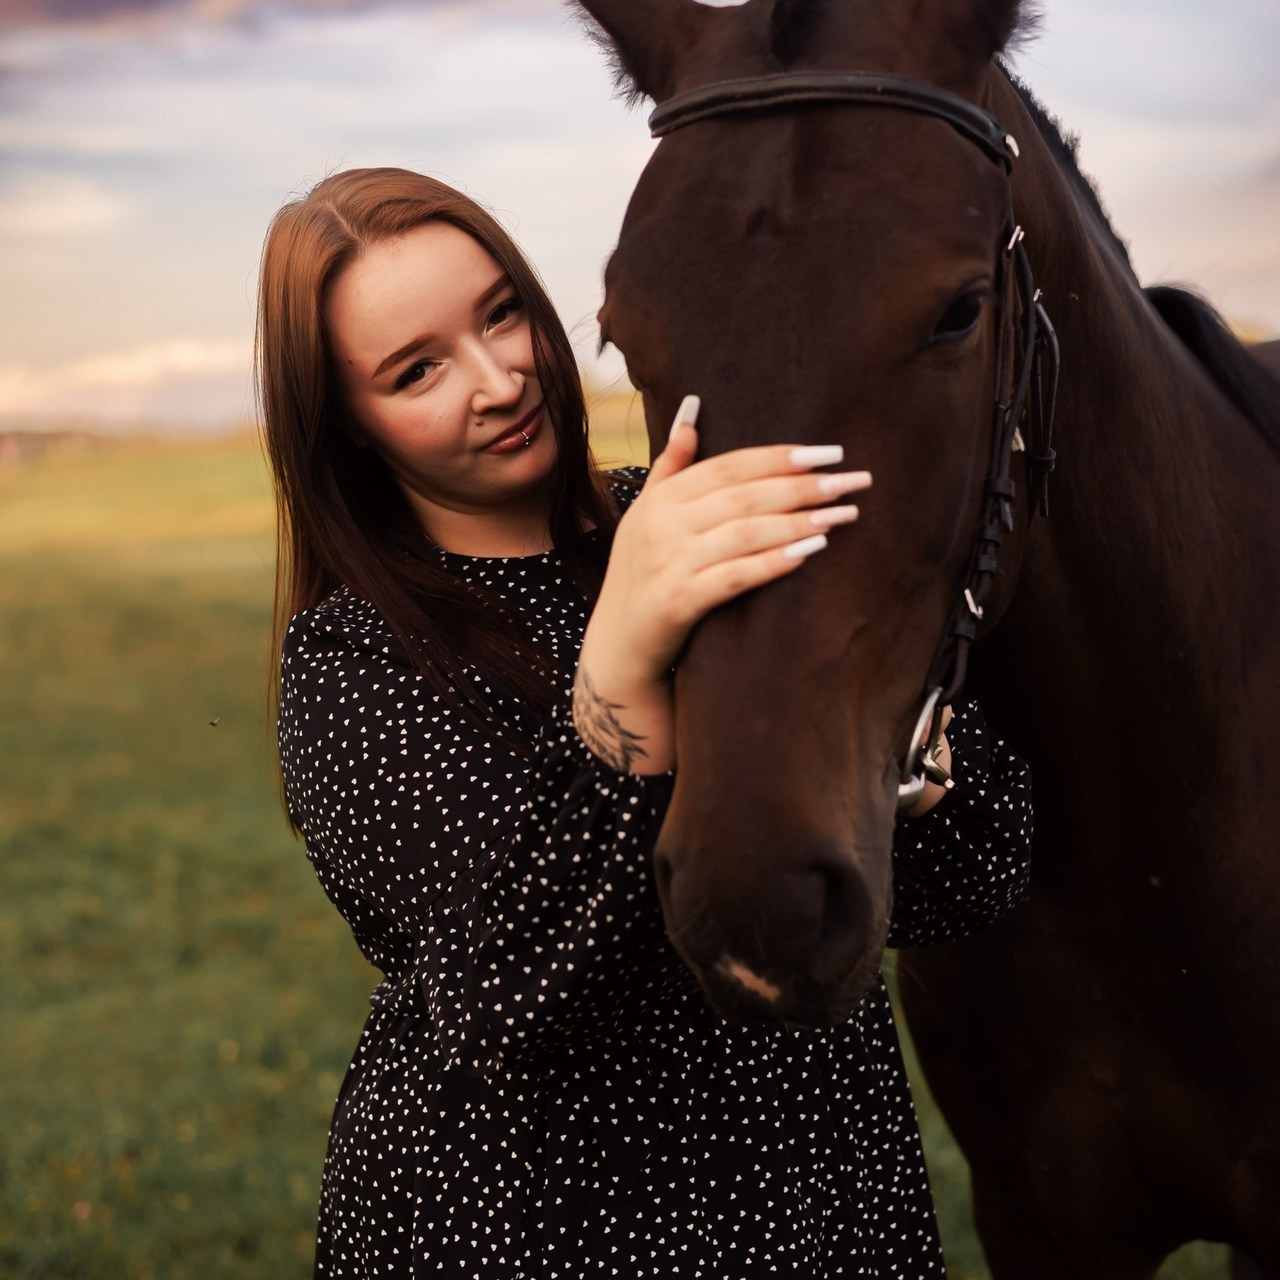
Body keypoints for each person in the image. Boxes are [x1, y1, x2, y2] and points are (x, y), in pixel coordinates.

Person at [258, 166, 1032, 1278]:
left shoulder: (697, 520)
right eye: (416, 369)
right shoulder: (351, 660)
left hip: (822, 1194)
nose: (498, 375)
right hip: (535, 1223)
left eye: (500, 311)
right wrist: (620, 656)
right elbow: (510, 991)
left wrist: (902, 763)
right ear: (347, 429)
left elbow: (979, 865)